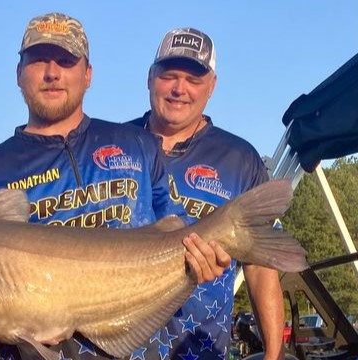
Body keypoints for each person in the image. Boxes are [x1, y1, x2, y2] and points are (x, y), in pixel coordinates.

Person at [0, 13, 231, 360]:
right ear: (18, 74)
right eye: (38, 61)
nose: (52, 73)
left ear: (88, 74)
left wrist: (205, 256)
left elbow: (176, 228)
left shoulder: (136, 143)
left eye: (65, 61)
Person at [128, 28, 285, 359]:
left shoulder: (239, 160)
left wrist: (273, 353)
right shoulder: (114, 145)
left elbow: (260, 267)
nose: (179, 89)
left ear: (211, 86)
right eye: (169, 75)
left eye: (193, 79)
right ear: (149, 78)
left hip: (201, 350)